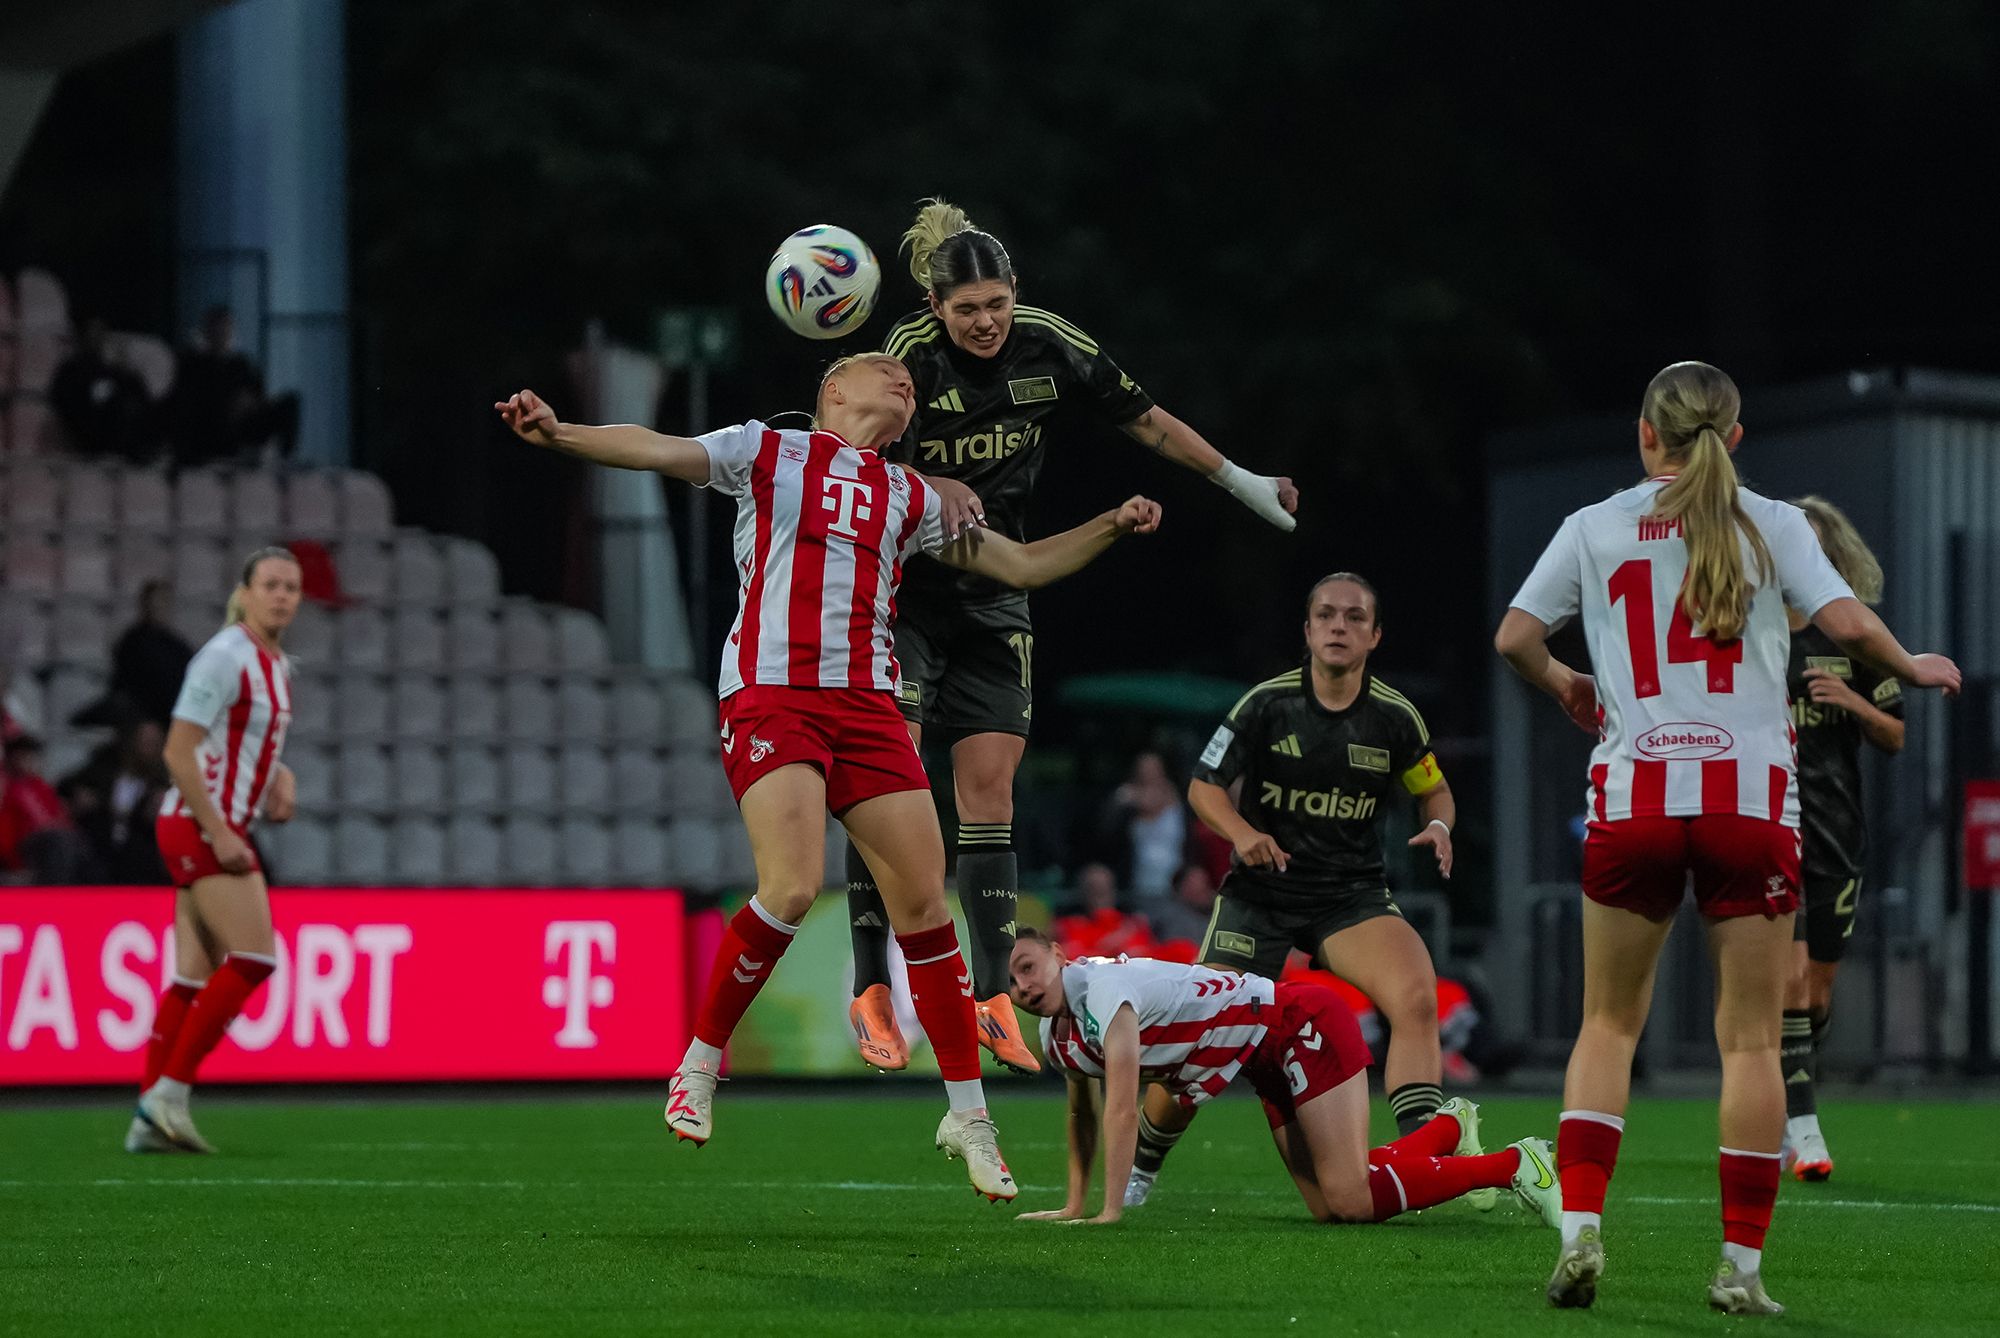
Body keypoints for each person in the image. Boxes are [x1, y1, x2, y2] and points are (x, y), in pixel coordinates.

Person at [495, 354, 1162, 1202]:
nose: (905, 382)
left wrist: (1109, 523)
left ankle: (969, 1115)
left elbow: (1022, 567)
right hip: (774, 696)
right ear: (831, 392)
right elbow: (654, 447)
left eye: (911, 383)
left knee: (927, 907)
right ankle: (699, 1066)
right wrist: (561, 433)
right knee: (791, 884)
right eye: (885, 371)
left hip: (869, 707)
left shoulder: (912, 494)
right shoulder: (767, 450)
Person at [1495, 360, 1958, 1315]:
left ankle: (1581, 1230)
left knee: (1607, 1025)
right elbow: (1842, 618)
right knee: (1749, 1043)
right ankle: (1740, 1272)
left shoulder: (1594, 524)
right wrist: (1909, 664)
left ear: (1644, 434)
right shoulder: (1775, 522)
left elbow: (1512, 638)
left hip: (1637, 798)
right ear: (1735, 439)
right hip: (1750, 802)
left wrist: (1567, 685)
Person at [844, 198, 1302, 1077]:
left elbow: (1148, 419)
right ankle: (871, 982)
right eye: (967, 309)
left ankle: (989, 998)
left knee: (990, 795)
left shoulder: (1051, 343)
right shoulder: (904, 360)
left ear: (1016, 295)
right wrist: (926, 478)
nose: (985, 323)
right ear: (935, 310)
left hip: (999, 576)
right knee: (890, 783)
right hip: (899, 591)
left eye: (997, 305)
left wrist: (1243, 481)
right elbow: (849, 453)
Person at [1123, 572, 1459, 1209]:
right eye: (1326, 616)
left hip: (1349, 896)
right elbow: (1202, 787)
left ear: (1375, 635)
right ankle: (1142, 1168)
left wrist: (1439, 823)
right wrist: (1243, 832)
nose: (1339, 626)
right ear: (1306, 632)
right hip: (1261, 895)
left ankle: (1424, 1155)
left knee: (1416, 996)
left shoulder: (1394, 716)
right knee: (1199, 1038)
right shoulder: (1266, 704)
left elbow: (1433, 787)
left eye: (1354, 617)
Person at [1005, 928, 1559, 1227]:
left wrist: (1110, 1211)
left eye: (1028, 965)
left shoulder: (1103, 991)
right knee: (1329, 1206)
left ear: (1058, 953)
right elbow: (1082, 1111)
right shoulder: (1058, 1036)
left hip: (1298, 1023)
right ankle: (1444, 1132)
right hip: (1259, 1056)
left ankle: (1515, 1164)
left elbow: (1123, 1106)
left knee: (1350, 1200)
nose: (1025, 985)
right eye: (1013, 981)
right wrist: (1074, 1205)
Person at [129, 548, 301, 1153]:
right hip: (201, 825)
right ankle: (168, 1096)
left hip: (213, 823)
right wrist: (222, 831)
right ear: (245, 591)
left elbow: (241, 739)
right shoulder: (225, 656)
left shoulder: (274, 663)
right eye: (271, 584)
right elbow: (179, 751)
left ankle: (147, 1116)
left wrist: (280, 774)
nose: (282, 595)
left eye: (291, 587)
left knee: (189, 977)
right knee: (255, 959)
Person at [1780, 497, 1905, 1183]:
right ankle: (1805, 1131)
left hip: (1836, 830)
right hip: (1770, 826)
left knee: (1818, 990)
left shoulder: (1853, 639)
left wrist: (1853, 702)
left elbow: (1896, 734)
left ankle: (1788, 1097)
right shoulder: (1751, 632)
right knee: (1789, 979)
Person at [166, 305, 301, 467]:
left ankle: (285, 458)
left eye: (226, 328)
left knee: (291, 401)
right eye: (217, 328)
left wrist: (248, 403)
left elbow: (258, 395)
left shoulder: (241, 363)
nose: (222, 333)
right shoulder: (193, 363)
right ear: (207, 331)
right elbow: (188, 398)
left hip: (242, 424)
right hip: (212, 424)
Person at [61, 710, 172, 885]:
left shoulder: (164, 784)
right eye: (144, 742)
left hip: (141, 860)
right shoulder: (105, 773)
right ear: (131, 742)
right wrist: (84, 798)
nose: (149, 749)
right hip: (99, 853)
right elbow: (65, 786)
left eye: (154, 743)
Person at [75, 581, 195, 729]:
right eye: (154, 603)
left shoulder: (177, 646)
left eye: (163, 603)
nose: (158, 608)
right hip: (139, 712)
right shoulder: (132, 642)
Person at [51, 317, 158, 461]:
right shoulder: (70, 373)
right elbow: (66, 405)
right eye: (91, 333)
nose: (97, 338)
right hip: (90, 443)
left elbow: (140, 397)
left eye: (100, 333)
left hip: (121, 444)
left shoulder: (117, 373)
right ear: (80, 336)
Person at [0, 734, 94, 883]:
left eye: (32, 757)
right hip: (27, 846)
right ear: (12, 759)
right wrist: (15, 864)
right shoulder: (9, 789)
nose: (29, 762)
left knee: (79, 840)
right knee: (58, 840)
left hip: (53, 842)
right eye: (24, 757)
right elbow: (6, 829)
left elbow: (60, 818)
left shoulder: (42, 787)